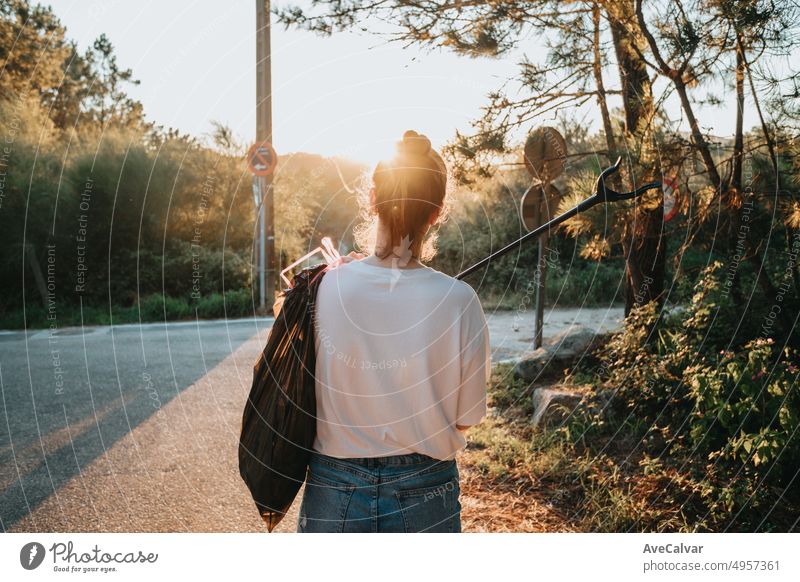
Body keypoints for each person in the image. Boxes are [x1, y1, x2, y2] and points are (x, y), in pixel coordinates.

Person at [296, 130, 491, 533]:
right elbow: (468, 417)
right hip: (426, 491)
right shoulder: (460, 301)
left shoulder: (324, 288)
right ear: (437, 211)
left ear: (372, 199)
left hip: (333, 488)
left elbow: (296, 386)